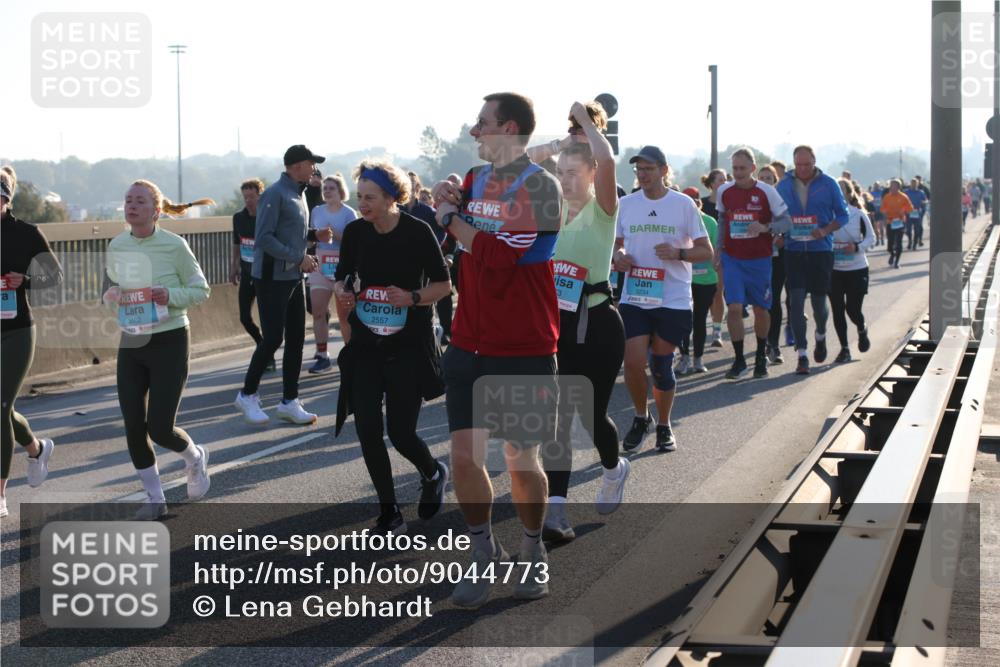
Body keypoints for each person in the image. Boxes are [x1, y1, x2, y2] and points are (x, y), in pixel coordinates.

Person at [432, 92, 562, 606]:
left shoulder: (541, 187)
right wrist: (450, 203)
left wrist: (450, 219)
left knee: (521, 461)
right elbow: (464, 246)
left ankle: (532, 550)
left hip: (524, 345)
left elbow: (501, 255)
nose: (473, 132)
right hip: (468, 340)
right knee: (464, 459)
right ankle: (483, 552)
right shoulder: (473, 180)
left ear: (506, 128)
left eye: (480, 124)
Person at [526, 101, 629, 542]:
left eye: (573, 172)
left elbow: (606, 158)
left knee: (592, 414)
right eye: (561, 172)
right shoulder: (551, 208)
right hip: (555, 324)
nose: (565, 180)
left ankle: (614, 466)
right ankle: (557, 512)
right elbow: (527, 160)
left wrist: (585, 125)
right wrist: (559, 145)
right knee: (557, 416)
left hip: (599, 321)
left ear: (590, 175)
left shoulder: (604, 207)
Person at [332, 161, 451, 535]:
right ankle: (390, 511)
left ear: (391, 198)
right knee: (367, 428)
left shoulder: (417, 232)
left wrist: (412, 297)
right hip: (367, 345)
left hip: (408, 346)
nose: (362, 204)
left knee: (400, 432)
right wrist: (343, 294)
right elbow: (343, 280)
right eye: (360, 197)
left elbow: (443, 285)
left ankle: (433, 472)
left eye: (370, 197)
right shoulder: (354, 232)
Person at [102, 180, 212, 519]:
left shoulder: (174, 245)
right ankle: (155, 500)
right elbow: (110, 291)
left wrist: (170, 295)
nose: (132, 206)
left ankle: (194, 457)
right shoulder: (117, 245)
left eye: (139, 201)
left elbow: (201, 289)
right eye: (128, 200)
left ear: (156, 210)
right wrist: (111, 298)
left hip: (170, 340)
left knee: (160, 428)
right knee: (133, 424)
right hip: (133, 341)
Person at [615, 145, 713, 451]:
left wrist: (679, 253)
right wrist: (618, 257)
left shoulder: (683, 204)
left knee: (660, 365)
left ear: (664, 171)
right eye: (638, 170)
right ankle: (640, 416)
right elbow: (616, 244)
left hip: (672, 297)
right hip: (636, 295)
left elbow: (706, 252)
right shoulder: (627, 204)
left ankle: (664, 424)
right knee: (632, 362)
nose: (643, 175)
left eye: (649, 169)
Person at [234, 145, 326, 426]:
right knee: (273, 338)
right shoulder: (275, 194)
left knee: (297, 338)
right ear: (296, 166)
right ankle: (247, 394)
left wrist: (313, 235)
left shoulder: (298, 194)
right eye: (312, 164)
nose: (314, 169)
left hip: (292, 277)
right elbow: (264, 238)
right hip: (271, 278)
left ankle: (289, 401)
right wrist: (300, 257)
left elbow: (290, 232)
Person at [0, 168, 63, 519]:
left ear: (7, 200)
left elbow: (53, 275)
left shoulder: (26, 233)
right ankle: (37, 449)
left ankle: (1, 496)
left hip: (16, 330)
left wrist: (25, 279)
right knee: (2, 409)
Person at [715, 148, 790, 380]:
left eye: (742, 168)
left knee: (760, 308)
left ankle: (760, 355)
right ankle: (739, 360)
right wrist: (718, 247)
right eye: (734, 168)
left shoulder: (767, 191)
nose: (737, 173)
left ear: (753, 169)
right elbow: (722, 220)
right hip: (733, 258)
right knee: (735, 308)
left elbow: (786, 222)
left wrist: (766, 228)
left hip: (759, 259)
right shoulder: (724, 191)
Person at [775, 145, 848, 375]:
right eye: (799, 164)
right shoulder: (784, 185)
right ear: (794, 163)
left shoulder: (828, 184)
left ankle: (821, 334)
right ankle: (802, 354)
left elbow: (843, 214)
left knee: (818, 304)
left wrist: (825, 230)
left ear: (815, 162)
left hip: (820, 250)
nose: (803, 169)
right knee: (795, 301)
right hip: (794, 249)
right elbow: (773, 215)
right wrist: (777, 235)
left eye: (807, 164)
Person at [307, 173, 358, 372]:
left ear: (340, 191)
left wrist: (332, 232)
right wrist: (312, 240)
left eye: (331, 188)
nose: (327, 191)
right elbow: (312, 237)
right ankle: (322, 355)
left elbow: (352, 241)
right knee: (318, 312)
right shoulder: (317, 211)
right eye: (325, 188)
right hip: (320, 264)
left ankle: (350, 354)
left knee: (344, 316)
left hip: (341, 267)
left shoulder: (348, 213)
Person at [229, 178, 276, 373]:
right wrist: (234, 266)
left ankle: (268, 356)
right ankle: (261, 344)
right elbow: (237, 243)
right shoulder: (238, 218)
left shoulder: (267, 217)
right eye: (245, 197)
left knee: (266, 319)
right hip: (248, 273)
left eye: (252, 196)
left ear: (260, 196)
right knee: (244, 317)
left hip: (265, 274)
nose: (248, 200)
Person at [829, 179, 876, 363]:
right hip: (834, 270)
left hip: (857, 268)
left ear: (849, 194)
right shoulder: (827, 215)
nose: (839, 195)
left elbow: (871, 238)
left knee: (852, 309)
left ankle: (862, 328)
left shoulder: (858, 214)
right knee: (837, 309)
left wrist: (856, 247)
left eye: (842, 191)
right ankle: (844, 348)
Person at [677, 187, 719, 374]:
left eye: (695, 199)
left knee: (700, 319)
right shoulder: (679, 222)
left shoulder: (710, 222)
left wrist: (719, 277)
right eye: (689, 199)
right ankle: (684, 357)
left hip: (706, 279)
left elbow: (716, 252)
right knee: (684, 320)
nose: (693, 203)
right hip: (683, 278)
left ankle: (698, 359)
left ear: (699, 202)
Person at [701, 168, 728, 348]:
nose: (724, 183)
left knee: (718, 292)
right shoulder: (702, 204)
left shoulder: (730, 203)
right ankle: (699, 329)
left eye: (726, 180)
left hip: (722, 253)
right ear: (711, 184)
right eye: (720, 180)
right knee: (701, 295)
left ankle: (717, 331)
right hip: (701, 256)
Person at [879, 179, 913, 269]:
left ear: (898, 187)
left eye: (894, 186)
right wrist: (885, 212)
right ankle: (892, 254)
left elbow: (910, 208)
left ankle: (897, 262)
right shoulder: (887, 197)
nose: (892, 187)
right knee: (890, 245)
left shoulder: (903, 197)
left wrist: (904, 210)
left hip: (900, 222)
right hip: (890, 222)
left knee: (898, 242)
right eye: (891, 186)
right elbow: (882, 209)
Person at [904, 178, 927, 250]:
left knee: (917, 229)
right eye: (912, 183)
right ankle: (910, 241)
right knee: (908, 229)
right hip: (908, 213)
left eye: (915, 183)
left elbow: (926, 200)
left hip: (917, 213)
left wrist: (923, 202)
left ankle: (915, 243)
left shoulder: (921, 192)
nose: (914, 185)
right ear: (910, 184)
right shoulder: (906, 192)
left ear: (917, 184)